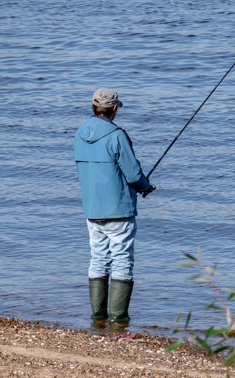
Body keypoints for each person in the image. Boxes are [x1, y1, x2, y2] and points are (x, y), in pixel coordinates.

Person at [74, 88, 155, 324]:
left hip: (91, 208)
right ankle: (118, 318)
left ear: (93, 106)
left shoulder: (79, 133)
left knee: (98, 258)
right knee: (121, 259)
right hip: (118, 209)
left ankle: (98, 316)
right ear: (115, 108)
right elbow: (132, 173)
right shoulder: (117, 135)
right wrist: (145, 187)